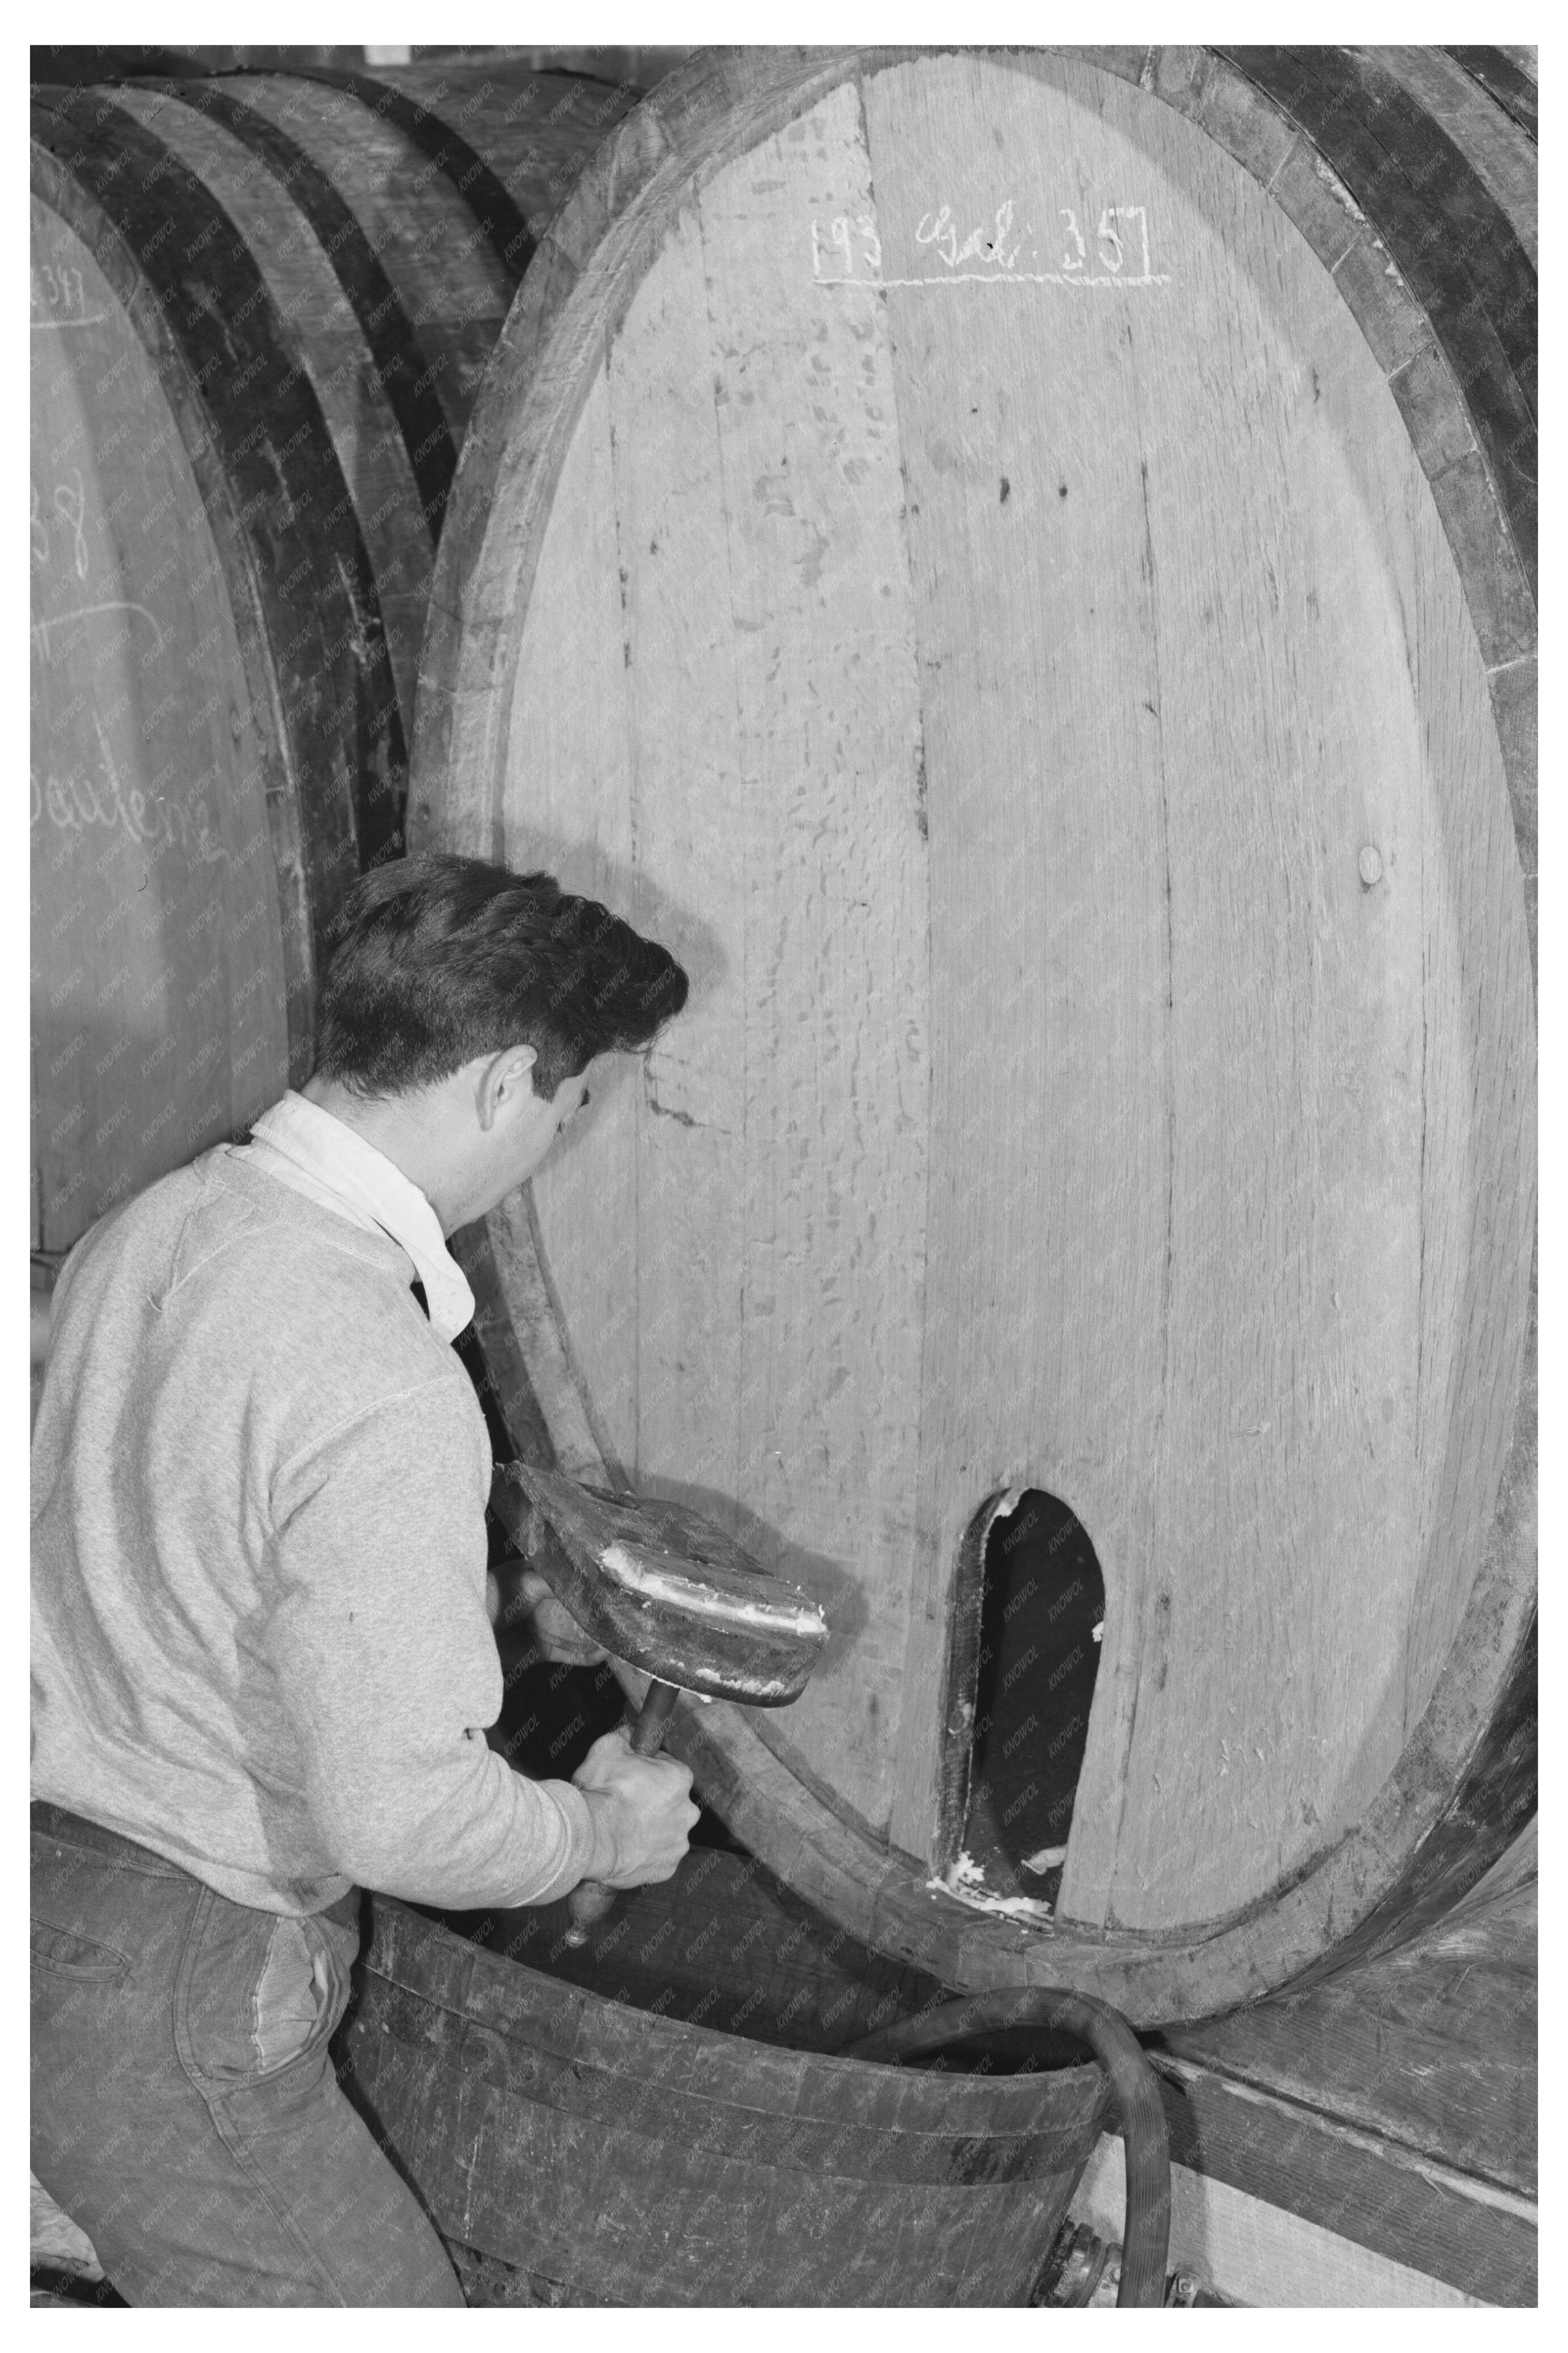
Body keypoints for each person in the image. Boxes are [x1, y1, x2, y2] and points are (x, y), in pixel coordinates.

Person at [31, 853, 700, 2306]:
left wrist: (494, 1615)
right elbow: (403, 1823)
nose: (558, 1140)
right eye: (574, 1105)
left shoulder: (153, 1227)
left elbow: (182, 1558)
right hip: (178, 1973)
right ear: (507, 1080)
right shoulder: (379, 1377)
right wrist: (600, 1831)